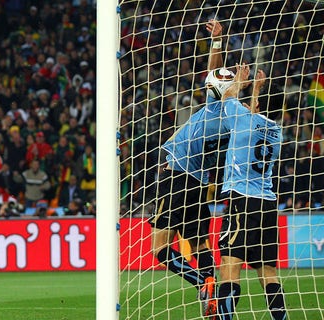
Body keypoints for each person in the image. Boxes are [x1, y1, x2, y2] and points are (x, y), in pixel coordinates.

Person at [149, 19, 226, 317]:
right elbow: (217, 76)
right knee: (201, 244)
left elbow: (213, 71)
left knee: (160, 251)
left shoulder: (214, 108)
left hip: (176, 178)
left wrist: (217, 41)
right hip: (198, 183)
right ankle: (212, 287)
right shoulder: (235, 121)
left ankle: (200, 284)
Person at [217, 64, 286, 320]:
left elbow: (227, 97)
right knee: (268, 273)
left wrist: (243, 81)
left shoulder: (242, 119)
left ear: (258, 102)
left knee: (230, 267)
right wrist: (258, 91)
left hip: (241, 201)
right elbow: (259, 114)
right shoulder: (278, 133)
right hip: (267, 204)